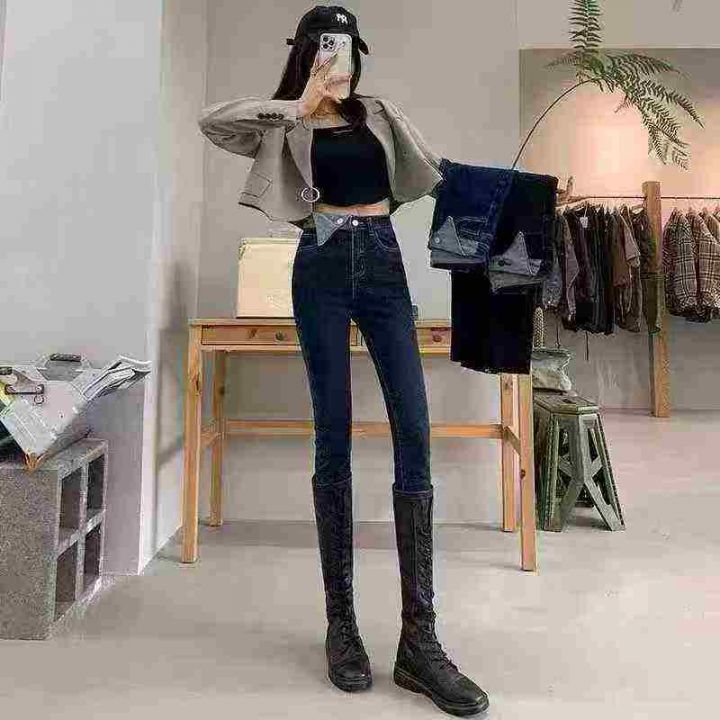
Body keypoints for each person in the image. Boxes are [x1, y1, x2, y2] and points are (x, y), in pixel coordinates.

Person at [198, 6, 489, 716]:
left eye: (349, 47)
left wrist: (522, 197)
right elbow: (214, 122)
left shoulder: (379, 115)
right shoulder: (286, 123)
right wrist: (297, 104)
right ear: (306, 53)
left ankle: (419, 641)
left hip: (384, 263)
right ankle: (342, 627)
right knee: (332, 434)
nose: (341, 58)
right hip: (320, 267)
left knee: (413, 431)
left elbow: (437, 174)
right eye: (327, 46)